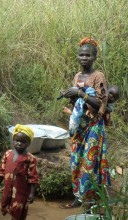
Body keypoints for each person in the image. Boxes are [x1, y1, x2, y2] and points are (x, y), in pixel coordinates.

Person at [59, 37, 111, 209]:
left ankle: (90, 203)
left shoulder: (98, 76)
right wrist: (70, 95)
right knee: (75, 161)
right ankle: (78, 198)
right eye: (81, 55)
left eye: (88, 55)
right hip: (79, 126)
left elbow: (100, 104)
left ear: (94, 57)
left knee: (90, 164)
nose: (84, 58)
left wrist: (80, 93)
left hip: (94, 126)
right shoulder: (77, 76)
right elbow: (76, 105)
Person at [0, 124, 39, 220]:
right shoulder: (8, 154)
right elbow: (2, 170)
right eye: (17, 140)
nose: (19, 143)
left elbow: (33, 177)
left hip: (21, 191)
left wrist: (32, 193)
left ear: (28, 143)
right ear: (13, 140)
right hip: (8, 188)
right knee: (8, 206)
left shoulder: (30, 158)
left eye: (23, 142)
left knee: (18, 211)